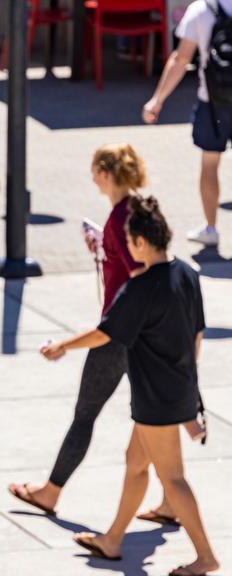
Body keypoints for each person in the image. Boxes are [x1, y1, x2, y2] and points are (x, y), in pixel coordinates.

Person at [41, 196, 219, 576]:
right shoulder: (186, 273)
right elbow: (197, 336)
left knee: (172, 477)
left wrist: (61, 346)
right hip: (174, 388)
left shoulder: (140, 288)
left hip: (156, 398)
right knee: (135, 462)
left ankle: (205, 556)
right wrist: (187, 389)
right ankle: (113, 539)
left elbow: (104, 334)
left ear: (140, 243)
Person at [9, 145, 186, 524]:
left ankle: (49, 491)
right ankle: (172, 499)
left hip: (120, 335)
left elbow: (140, 271)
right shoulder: (137, 210)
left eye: (95, 171)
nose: (92, 178)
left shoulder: (121, 218)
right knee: (151, 427)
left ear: (107, 173)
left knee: (86, 415)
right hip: (143, 335)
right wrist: (102, 250)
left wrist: (69, 343)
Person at [142, 0, 232, 247]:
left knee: (209, 163)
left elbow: (181, 59)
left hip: (212, 102)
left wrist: (157, 100)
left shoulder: (201, 10)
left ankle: (211, 229)